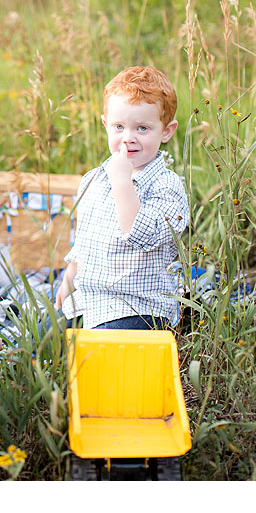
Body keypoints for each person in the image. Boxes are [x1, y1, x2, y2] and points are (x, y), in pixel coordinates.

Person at [54, 65, 189, 331]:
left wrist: (122, 184)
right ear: (106, 125)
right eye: (119, 127)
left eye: (142, 128)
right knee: (42, 337)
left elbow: (142, 235)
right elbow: (85, 240)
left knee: (100, 354)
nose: (128, 138)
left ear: (166, 131)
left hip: (138, 307)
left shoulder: (167, 186)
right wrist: (70, 278)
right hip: (89, 299)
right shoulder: (92, 179)